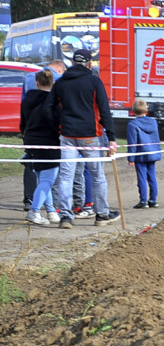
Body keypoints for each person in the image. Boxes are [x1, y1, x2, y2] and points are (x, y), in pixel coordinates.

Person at [49, 48, 117, 228]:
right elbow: (104, 110)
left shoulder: (61, 83)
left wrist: (57, 126)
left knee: (66, 177)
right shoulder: (94, 81)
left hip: (67, 135)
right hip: (90, 136)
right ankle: (102, 214)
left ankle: (65, 217)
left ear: (72, 63)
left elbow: (49, 108)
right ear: (89, 64)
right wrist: (111, 137)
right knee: (97, 176)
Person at [20, 59, 66, 211]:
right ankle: (35, 210)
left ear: (37, 82)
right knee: (48, 179)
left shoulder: (28, 90)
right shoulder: (53, 100)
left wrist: (24, 135)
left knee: (40, 177)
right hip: (49, 141)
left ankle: (50, 209)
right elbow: (55, 120)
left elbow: (23, 120)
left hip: (30, 138)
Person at [126, 99, 161, 208]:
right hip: (152, 153)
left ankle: (143, 201)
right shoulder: (153, 122)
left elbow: (132, 142)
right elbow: (156, 137)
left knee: (141, 177)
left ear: (133, 110)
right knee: (152, 177)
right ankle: (153, 200)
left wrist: (131, 158)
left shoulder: (132, 124)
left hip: (140, 155)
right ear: (146, 110)